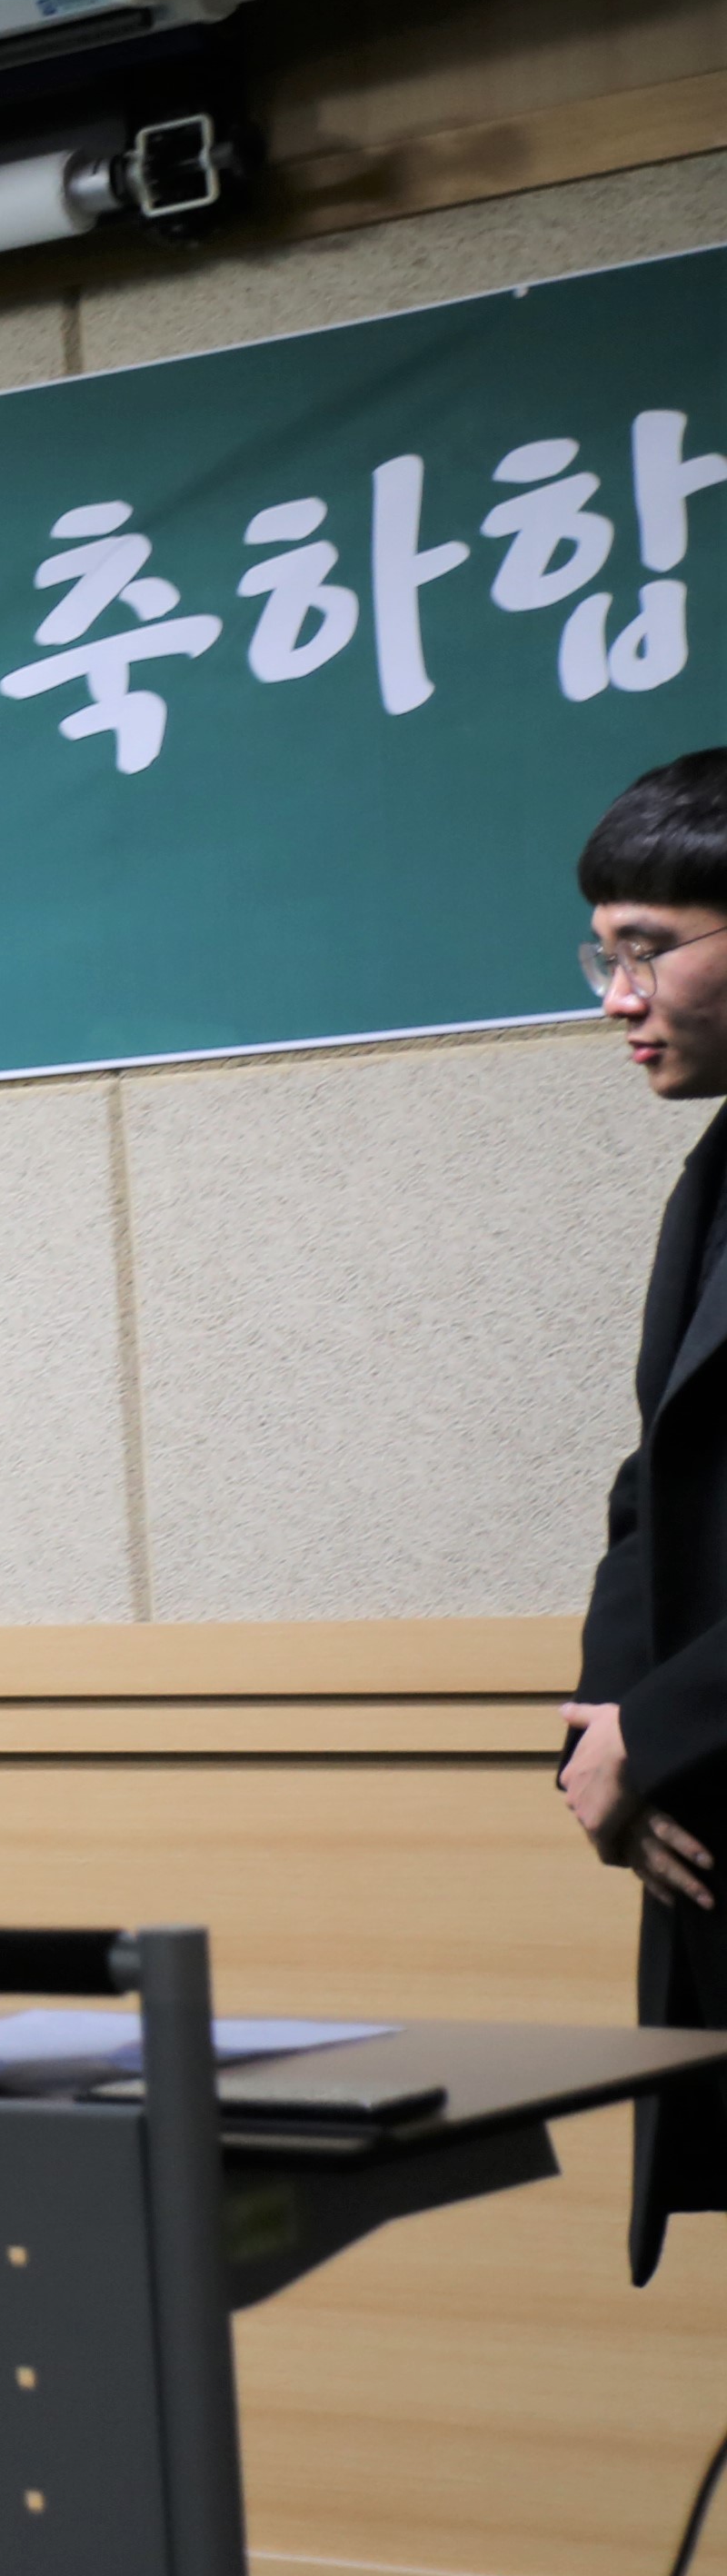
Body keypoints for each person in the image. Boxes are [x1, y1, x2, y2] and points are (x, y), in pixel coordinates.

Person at [563, 748, 727, 2277]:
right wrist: (603, 1734)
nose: (618, 999)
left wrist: (661, 1731)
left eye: (649, 950)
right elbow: (654, 1490)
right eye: (602, 954)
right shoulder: (714, 1177)